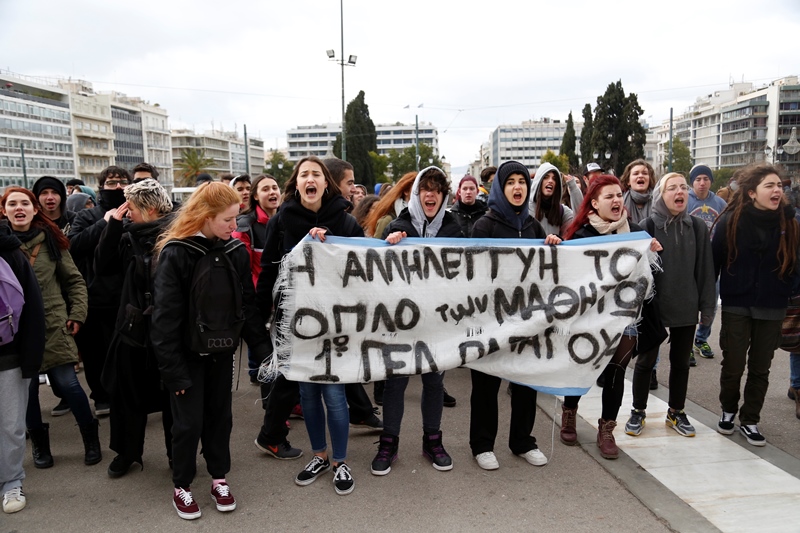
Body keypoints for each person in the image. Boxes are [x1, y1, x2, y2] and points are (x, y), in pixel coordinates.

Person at [151, 182, 271, 519]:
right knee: (187, 424)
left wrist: (264, 350)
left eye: (237, 220)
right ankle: (182, 486)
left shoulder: (234, 251)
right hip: (186, 357)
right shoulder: (176, 252)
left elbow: (247, 306)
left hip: (222, 353)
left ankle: (219, 478)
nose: (235, 228)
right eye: (228, 221)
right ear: (205, 216)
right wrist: (172, 371)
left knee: (221, 419)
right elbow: (164, 319)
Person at [256, 156, 361, 495]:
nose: (310, 178)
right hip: (296, 325)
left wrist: (392, 243)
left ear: (326, 184)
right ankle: (319, 456)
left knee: (334, 395)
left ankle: (340, 462)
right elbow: (269, 271)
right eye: (304, 174)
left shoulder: (344, 220)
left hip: (334, 324)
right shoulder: (282, 220)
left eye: (316, 173)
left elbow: (368, 258)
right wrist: (260, 314)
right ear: (297, 184)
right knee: (308, 396)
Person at [559, 176, 661, 459]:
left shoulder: (637, 234)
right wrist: (556, 245)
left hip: (625, 318)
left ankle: (607, 429)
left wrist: (651, 254)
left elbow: (650, 279)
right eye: (609, 196)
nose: (617, 200)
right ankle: (570, 411)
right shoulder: (579, 236)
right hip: (589, 318)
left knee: (616, 372)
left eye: (619, 195)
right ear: (593, 203)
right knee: (582, 366)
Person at [469, 160, 561, 470]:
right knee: (486, 385)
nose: (518, 187)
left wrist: (551, 248)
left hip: (526, 320)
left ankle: (522, 441)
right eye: (511, 182)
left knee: (525, 382)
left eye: (522, 181)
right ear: (500, 188)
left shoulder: (534, 227)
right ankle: (482, 444)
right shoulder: (485, 225)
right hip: (489, 320)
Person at [371, 166, 463, 476]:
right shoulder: (398, 226)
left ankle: (432, 441)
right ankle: (389, 442)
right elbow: (379, 271)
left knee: (434, 382)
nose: (431, 194)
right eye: (425, 188)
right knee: (396, 382)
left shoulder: (454, 227)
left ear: (443, 195)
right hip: (401, 321)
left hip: (437, 321)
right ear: (416, 194)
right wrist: (391, 245)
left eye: (437, 189)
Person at [0, 188, 100, 468]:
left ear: (34, 210)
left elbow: (75, 282)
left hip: (54, 323)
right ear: (4, 211)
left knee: (69, 383)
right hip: (15, 330)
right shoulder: (2, 246)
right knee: (28, 391)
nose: (19, 208)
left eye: (25, 203)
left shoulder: (52, 241)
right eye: (12, 204)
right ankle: (40, 447)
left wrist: (77, 315)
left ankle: (90, 439)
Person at [712, 163, 799, 446]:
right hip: (737, 303)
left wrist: (787, 292)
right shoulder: (731, 221)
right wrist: (708, 304)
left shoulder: (790, 222)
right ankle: (728, 411)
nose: (777, 191)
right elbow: (715, 262)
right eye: (769, 186)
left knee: (761, 367)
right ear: (751, 192)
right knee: (733, 364)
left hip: (772, 306)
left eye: (779, 186)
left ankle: (750, 419)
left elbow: (796, 263)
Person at [625, 173, 716, 439]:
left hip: (686, 305)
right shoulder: (647, 225)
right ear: (660, 196)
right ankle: (638, 410)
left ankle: (676, 411)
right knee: (645, 362)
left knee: (681, 363)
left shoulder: (698, 227)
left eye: (683, 188)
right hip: (654, 308)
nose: (680, 192)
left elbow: (705, 270)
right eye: (672, 188)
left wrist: (707, 308)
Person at [95, 179, 175, 478]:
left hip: (168, 329)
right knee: (125, 394)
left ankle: (176, 453)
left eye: (132, 208)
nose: (127, 213)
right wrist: (113, 227)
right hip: (131, 328)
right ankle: (127, 453)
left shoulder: (177, 234)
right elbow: (101, 266)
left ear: (151, 208)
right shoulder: (127, 236)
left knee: (172, 395)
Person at [68, 166, 131, 416]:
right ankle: (101, 397)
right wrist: (105, 224)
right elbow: (73, 246)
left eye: (122, 182)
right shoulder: (88, 216)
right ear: (101, 186)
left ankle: (127, 397)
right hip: (95, 297)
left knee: (127, 353)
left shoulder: (134, 214)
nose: (117, 187)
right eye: (112, 182)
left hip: (127, 297)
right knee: (95, 354)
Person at [0, 223, 45, 514]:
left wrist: (31, 360)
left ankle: (11, 481)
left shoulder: (11, 253)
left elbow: (33, 308)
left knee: (10, 425)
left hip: (9, 357)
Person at [232, 174, 281, 385]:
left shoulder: (287, 218)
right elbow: (241, 267)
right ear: (255, 196)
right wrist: (256, 295)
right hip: (258, 297)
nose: (272, 192)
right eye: (265, 189)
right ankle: (257, 373)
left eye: (275, 187)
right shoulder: (245, 225)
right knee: (262, 346)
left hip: (282, 296)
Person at [687, 163, 727, 362]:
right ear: (692, 181)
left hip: (713, 262)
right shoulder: (684, 200)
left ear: (711, 181)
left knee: (710, 302)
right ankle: (685, 343)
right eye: (697, 179)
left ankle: (701, 338)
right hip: (690, 260)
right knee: (689, 302)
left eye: (706, 179)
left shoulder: (720, 203)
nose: (702, 183)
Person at [528, 163, 575, 236]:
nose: (550, 181)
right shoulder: (526, 208)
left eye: (554, 179)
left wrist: (573, 187)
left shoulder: (561, 211)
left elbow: (579, 218)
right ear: (538, 182)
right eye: (546, 177)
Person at [620, 159, 657, 225]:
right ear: (628, 181)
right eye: (636, 174)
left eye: (645, 173)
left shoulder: (659, 201)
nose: (640, 176)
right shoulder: (620, 201)